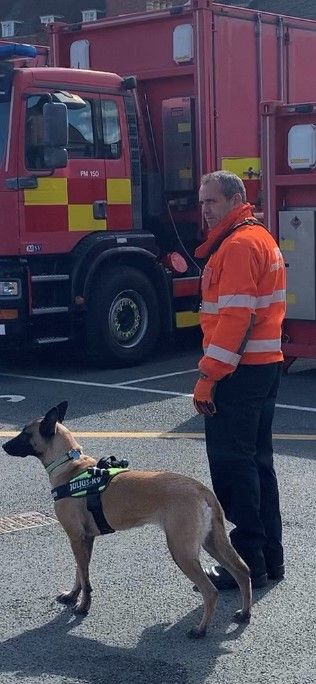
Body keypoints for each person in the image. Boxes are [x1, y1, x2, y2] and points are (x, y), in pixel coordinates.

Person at [193, 170, 286, 589]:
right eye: (202, 202)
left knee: (234, 470)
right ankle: (269, 560)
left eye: (211, 201)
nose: (205, 209)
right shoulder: (258, 238)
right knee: (258, 466)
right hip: (262, 368)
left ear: (235, 200)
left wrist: (208, 377)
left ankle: (247, 562)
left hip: (239, 373)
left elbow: (234, 319)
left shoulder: (238, 245)